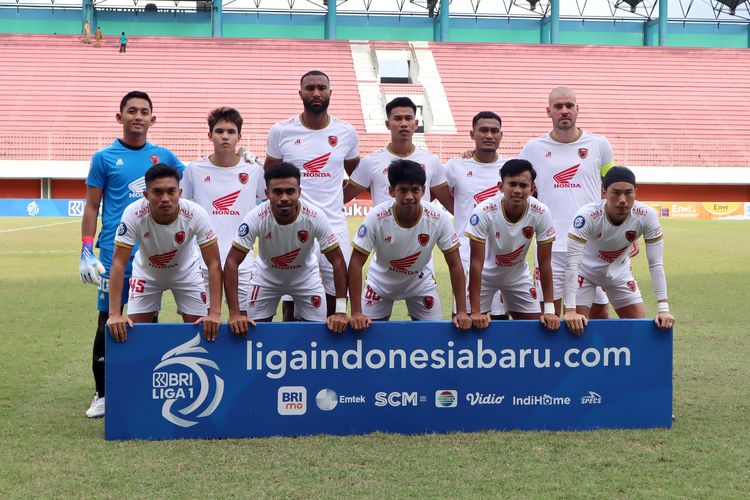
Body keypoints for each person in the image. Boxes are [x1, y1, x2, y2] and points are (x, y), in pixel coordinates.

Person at [79, 90, 182, 418]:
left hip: (154, 253)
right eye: (132, 111)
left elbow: (191, 183)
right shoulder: (104, 158)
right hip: (113, 254)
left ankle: (144, 385)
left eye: (144, 112)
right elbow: (93, 206)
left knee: (147, 320)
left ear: (154, 119)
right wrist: (85, 247)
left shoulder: (163, 156)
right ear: (119, 117)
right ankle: (103, 393)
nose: (138, 116)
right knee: (107, 320)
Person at [518, 86, 623, 318]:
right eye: (558, 106)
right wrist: (472, 154)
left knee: (598, 318)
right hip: (550, 247)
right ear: (548, 112)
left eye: (569, 106)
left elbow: (616, 187)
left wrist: (625, 228)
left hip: (591, 245)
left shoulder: (599, 145)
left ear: (577, 110)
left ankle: (595, 356)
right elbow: (508, 176)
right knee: (549, 319)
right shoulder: (532, 148)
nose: (564, 111)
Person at [264, 70, 359, 320]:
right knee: (291, 298)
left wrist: (338, 200)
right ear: (301, 93)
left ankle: (329, 346)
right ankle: (288, 353)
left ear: (330, 93)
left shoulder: (347, 132)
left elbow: (358, 177)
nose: (316, 93)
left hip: (333, 224)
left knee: (336, 292)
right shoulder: (280, 131)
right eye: (310, 88)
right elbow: (270, 175)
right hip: (292, 226)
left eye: (321, 88)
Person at [224, 163, 348, 334]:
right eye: (277, 192)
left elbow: (338, 261)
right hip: (266, 279)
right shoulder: (255, 217)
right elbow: (231, 261)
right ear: (267, 193)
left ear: (299, 191)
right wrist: (235, 313)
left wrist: (340, 311)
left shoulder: (315, 216)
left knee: (319, 335)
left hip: (306, 279)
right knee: (251, 333)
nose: (284, 197)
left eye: (290, 191)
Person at [348, 159, 471, 331]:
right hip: (380, 283)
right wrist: (355, 312)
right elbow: (355, 262)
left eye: (415, 190)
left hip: (420, 283)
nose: (409, 196)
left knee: (433, 337)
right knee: (368, 339)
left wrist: (462, 311)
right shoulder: (377, 216)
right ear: (391, 191)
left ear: (423, 190)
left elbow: (455, 263)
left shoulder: (438, 218)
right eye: (402, 190)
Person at [107, 164, 222, 343]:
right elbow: (118, 263)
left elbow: (214, 263)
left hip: (187, 273)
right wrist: (114, 314)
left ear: (180, 192)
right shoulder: (133, 213)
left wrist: (215, 312)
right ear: (146, 195)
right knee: (134, 334)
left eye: (171, 191)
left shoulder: (196, 214)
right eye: (157, 192)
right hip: (146, 274)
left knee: (204, 332)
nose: (165, 198)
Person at [563, 166, 675, 335]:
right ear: (604, 192)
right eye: (615, 192)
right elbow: (572, 264)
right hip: (585, 274)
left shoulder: (647, 215)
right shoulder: (587, 216)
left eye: (628, 192)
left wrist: (663, 308)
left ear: (636, 192)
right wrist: (570, 310)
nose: (622, 199)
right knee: (576, 330)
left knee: (638, 330)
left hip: (620, 273)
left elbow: (656, 264)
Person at [181, 107, 264, 318]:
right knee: (207, 323)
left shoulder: (254, 170)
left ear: (239, 136)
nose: (225, 136)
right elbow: (182, 211)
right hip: (202, 262)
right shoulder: (194, 169)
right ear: (210, 135)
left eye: (231, 131)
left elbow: (270, 201)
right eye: (219, 131)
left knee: (244, 324)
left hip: (243, 261)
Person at [464, 159, 559, 331]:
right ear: (500, 186)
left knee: (535, 330)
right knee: (468, 327)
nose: (517, 190)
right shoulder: (484, 211)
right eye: (512, 184)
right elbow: (476, 263)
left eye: (523, 185)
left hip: (517, 277)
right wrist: (476, 311)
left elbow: (545, 264)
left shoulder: (542, 212)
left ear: (532, 189)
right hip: (485, 276)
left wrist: (550, 310)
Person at [445, 111, 508, 318]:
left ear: (501, 135)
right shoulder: (455, 166)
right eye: (483, 130)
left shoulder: (510, 168)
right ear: (472, 134)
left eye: (494, 131)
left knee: (499, 322)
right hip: (465, 256)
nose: (489, 135)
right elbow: (436, 197)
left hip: (502, 256)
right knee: (464, 320)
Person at [343, 96, 453, 212]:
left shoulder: (432, 160)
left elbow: (449, 203)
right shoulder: (371, 161)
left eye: (408, 118)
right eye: (398, 119)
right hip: (384, 229)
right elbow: (341, 198)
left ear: (416, 124)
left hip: (422, 229)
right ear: (387, 124)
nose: (404, 123)